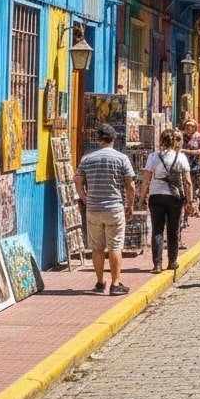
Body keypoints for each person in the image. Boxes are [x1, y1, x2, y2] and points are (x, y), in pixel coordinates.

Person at [74, 123, 136, 295]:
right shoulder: (121, 159)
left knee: (97, 247)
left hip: (93, 208)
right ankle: (116, 284)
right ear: (114, 139)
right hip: (114, 207)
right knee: (115, 246)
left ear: (99, 139)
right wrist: (130, 205)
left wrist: (85, 197)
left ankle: (100, 282)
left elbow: (77, 180)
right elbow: (130, 185)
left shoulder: (87, 159)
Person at [139, 128, 193, 274]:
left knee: (157, 229)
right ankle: (172, 261)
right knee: (173, 230)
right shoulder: (181, 157)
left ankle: (157, 264)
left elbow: (146, 179)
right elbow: (188, 182)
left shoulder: (153, 157)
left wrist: (142, 197)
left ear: (161, 140)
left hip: (156, 196)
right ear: (174, 141)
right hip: (175, 198)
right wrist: (190, 201)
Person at [181, 119, 200, 217]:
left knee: (199, 188)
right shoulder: (181, 136)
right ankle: (187, 209)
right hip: (183, 165)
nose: (189, 128)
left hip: (196, 165)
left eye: (192, 126)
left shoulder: (198, 136)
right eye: (187, 126)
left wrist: (189, 152)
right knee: (185, 187)